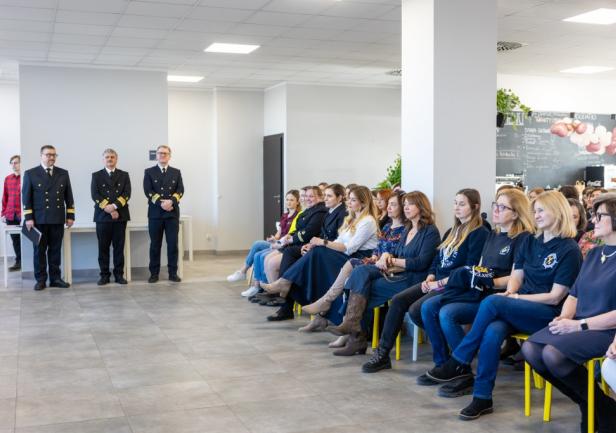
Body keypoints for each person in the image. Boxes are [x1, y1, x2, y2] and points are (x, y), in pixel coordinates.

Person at [425, 190, 582, 421]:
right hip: (520, 306)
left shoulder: (569, 249)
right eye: (535, 211)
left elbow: (555, 297)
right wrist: (511, 293)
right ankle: (482, 397)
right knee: (492, 331)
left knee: (492, 301)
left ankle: (459, 359)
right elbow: (517, 276)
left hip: (547, 314)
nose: (536, 215)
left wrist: (513, 299)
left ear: (558, 212)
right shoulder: (530, 240)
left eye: (541, 210)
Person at [407, 189, 534, 398]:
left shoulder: (522, 239)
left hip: (497, 296)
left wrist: (487, 281)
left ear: (516, 213)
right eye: (495, 205)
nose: (495, 210)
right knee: (428, 307)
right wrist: (474, 278)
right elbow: (480, 267)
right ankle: (444, 365)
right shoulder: (493, 235)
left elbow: (515, 278)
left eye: (502, 207)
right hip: (479, 291)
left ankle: (461, 370)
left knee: (447, 313)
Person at [522, 193, 616, 433]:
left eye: (599, 216)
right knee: (531, 349)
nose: (593, 220)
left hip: (605, 330)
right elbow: (574, 295)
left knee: (554, 354)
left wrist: (578, 325)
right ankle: (598, 406)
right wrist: (564, 318)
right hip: (578, 324)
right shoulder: (594, 253)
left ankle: (596, 408)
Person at [326, 190, 441, 356]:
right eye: (405, 204)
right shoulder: (408, 228)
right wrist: (387, 254)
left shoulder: (430, 231)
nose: (406, 207)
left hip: (413, 279)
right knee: (361, 277)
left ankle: (355, 336)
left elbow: (421, 263)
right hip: (398, 274)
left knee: (363, 288)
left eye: (410, 204)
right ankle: (353, 331)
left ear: (421, 207)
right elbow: (397, 252)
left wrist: (392, 260)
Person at [262, 185, 375, 322]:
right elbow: (338, 240)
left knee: (315, 253)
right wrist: (316, 243)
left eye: (353, 200)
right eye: (349, 199)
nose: (349, 202)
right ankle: (311, 309)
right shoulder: (351, 219)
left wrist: (323, 243)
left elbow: (349, 248)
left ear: (363, 203)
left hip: (356, 259)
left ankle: (286, 284)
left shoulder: (368, 221)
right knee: (311, 253)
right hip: (344, 255)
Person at [22, 145, 74, 290]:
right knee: (39, 251)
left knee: (55, 250)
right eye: (48, 154)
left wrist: (70, 215)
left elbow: (69, 196)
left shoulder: (63, 173)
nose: (51, 157)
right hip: (38, 220)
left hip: (57, 218)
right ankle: (40, 280)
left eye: (53, 155)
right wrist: (28, 218)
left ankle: (55, 279)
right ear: (41, 156)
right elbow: (26, 198)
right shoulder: (30, 173)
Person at [227, 189, 301, 284]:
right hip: (277, 243)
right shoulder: (285, 215)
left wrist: (278, 242)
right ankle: (251, 280)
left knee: (258, 246)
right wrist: (274, 239)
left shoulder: (298, 216)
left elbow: (290, 236)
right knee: (257, 247)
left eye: (291, 200)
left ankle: (244, 272)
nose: (288, 202)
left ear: (297, 202)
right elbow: (279, 234)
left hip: (284, 245)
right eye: (287, 199)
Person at [143, 145, 184, 283]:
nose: (162, 155)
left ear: (169, 156)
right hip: (155, 214)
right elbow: (148, 191)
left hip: (172, 214)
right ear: (156, 155)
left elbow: (180, 190)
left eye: (165, 153)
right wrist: (162, 203)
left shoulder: (176, 172)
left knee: (173, 245)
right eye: (160, 153)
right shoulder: (149, 172)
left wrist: (171, 201)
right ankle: (154, 274)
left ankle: (173, 273)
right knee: (155, 245)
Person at [91, 149, 131, 286]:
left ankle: (119, 275)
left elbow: (127, 194)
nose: (109, 159)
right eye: (107, 157)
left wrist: (114, 207)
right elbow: (95, 195)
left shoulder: (124, 175)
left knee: (119, 248)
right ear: (103, 159)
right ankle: (104, 276)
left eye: (112, 157)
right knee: (103, 248)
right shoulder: (96, 175)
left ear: (116, 159)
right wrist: (108, 208)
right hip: (102, 217)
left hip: (120, 216)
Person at [1, 155, 21, 271]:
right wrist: (3, 213)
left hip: (22, 215)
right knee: (15, 240)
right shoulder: (8, 179)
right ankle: (18, 262)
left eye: (16, 162)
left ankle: (28, 263)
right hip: (10, 215)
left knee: (28, 240)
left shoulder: (26, 177)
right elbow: (5, 197)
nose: (14, 165)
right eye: (12, 163)